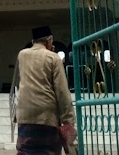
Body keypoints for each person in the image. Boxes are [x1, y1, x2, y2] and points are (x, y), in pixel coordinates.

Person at [14, 26, 77, 155]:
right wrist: (68, 119)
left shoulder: (22, 55)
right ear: (49, 40)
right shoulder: (53, 58)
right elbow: (62, 91)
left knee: (26, 151)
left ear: (33, 42)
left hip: (24, 116)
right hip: (46, 117)